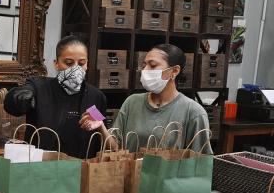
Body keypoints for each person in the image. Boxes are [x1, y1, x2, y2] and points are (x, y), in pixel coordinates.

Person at [81, 43, 212, 153]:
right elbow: (116, 148)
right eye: (144, 65)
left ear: (174, 71)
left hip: (167, 183)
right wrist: (101, 126)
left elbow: (200, 162)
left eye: (153, 65)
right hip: (130, 179)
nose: (145, 70)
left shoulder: (193, 112)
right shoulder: (132, 102)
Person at [4, 35, 107, 158]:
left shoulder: (95, 97)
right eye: (68, 63)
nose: (75, 69)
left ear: (87, 64)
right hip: (41, 168)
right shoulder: (39, 88)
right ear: (56, 64)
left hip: (81, 170)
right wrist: (17, 98)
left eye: (81, 63)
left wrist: (100, 125)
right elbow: (11, 105)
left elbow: (104, 142)